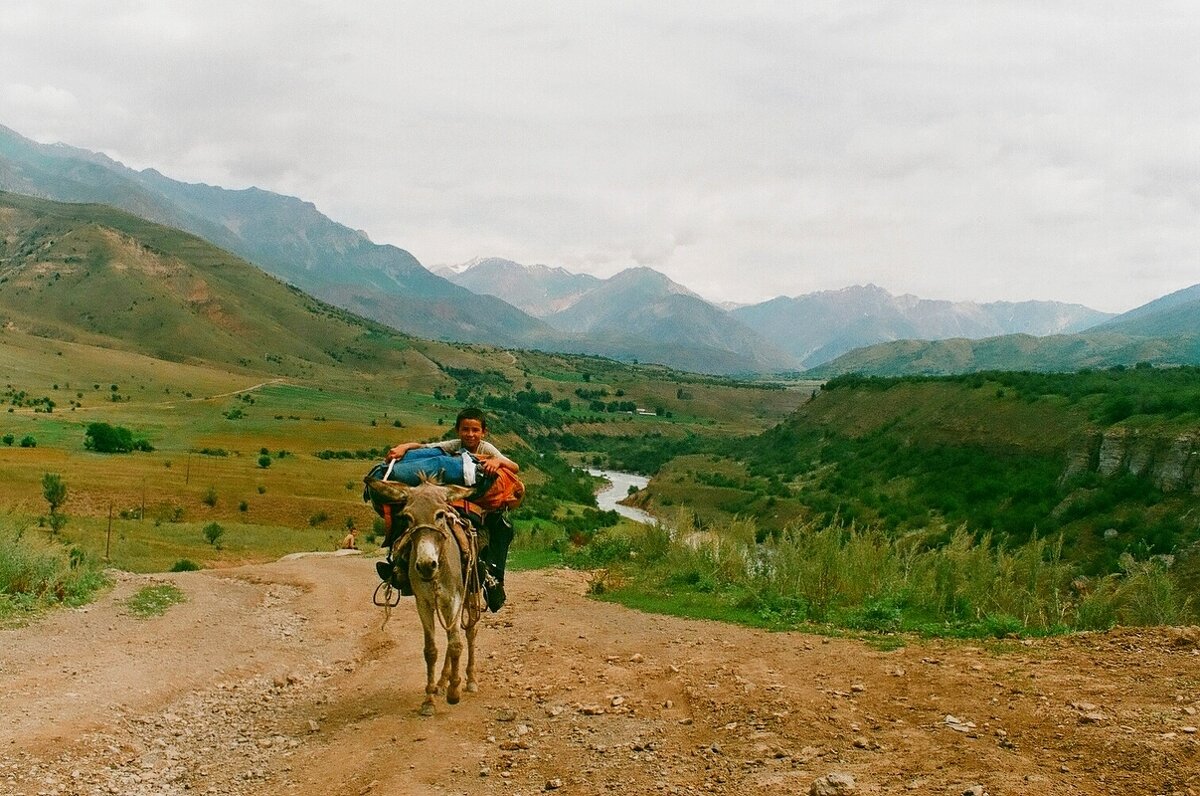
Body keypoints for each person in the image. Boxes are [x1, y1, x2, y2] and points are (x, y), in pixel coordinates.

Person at [375, 407, 519, 611]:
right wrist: (405, 446)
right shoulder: (454, 445)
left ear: (483, 432)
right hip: (448, 498)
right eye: (465, 429)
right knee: (409, 515)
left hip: (475, 499)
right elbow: (427, 448)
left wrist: (496, 462)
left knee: (502, 528)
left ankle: (493, 579)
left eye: (475, 430)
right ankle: (398, 565)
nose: (470, 434)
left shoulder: (487, 449)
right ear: (458, 431)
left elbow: (514, 466)